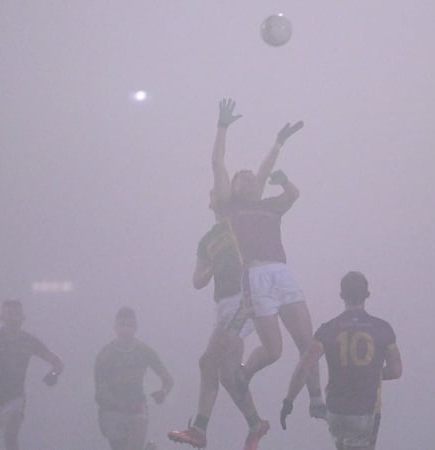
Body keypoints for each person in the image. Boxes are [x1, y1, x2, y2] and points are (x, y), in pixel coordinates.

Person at [209, 99, 326, 417]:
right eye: (241, 178)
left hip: (281, 273)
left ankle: (316, 399)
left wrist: (279, 145)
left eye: (251, 178)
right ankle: (245, 374)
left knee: (308, 340)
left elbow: (290, 193)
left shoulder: (269, 206)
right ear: (233, 188)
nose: (248, 180)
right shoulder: (229, 209)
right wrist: (222, 128)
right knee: (274, 351)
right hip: (255, 277)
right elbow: (218, 165)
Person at [167, 189, 269, 450]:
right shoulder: (207, 240)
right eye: (213, 194)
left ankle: (199, 429)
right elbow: (197, 280)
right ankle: (256, 424)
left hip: (243, 299)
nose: (217, 196)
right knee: (227, 374)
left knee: (207, 361)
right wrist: (212, 267)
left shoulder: (239, 222)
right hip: (222, 305)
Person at [280, 271, 403, 450]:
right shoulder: (383, 329)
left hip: (336, 411)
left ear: (341, 295)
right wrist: (368, 373)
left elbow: (305, 366)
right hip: (366, 410)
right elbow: (396, 371)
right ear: (367, 295)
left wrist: (288, 401)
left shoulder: (329, 329)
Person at [0, 300, 64, 450]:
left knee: (10, 436)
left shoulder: (28, 341)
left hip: (14, 399)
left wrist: (54, 374)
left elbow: (57, 362)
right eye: (10, 315)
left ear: (23, 318)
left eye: (17, 315)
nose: (14, 319)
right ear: (2, 318)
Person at [96, 307, 174, 450]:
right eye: (122, 325)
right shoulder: (105, 355)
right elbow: (99, 391)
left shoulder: (144, 351)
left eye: (129, 325)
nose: (125, 330)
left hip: (137, 406)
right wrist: (117, 405)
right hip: (111, 411)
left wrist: (163, 392)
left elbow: (168, 379)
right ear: (115, 327)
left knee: (135, 441)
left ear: (136, 327)